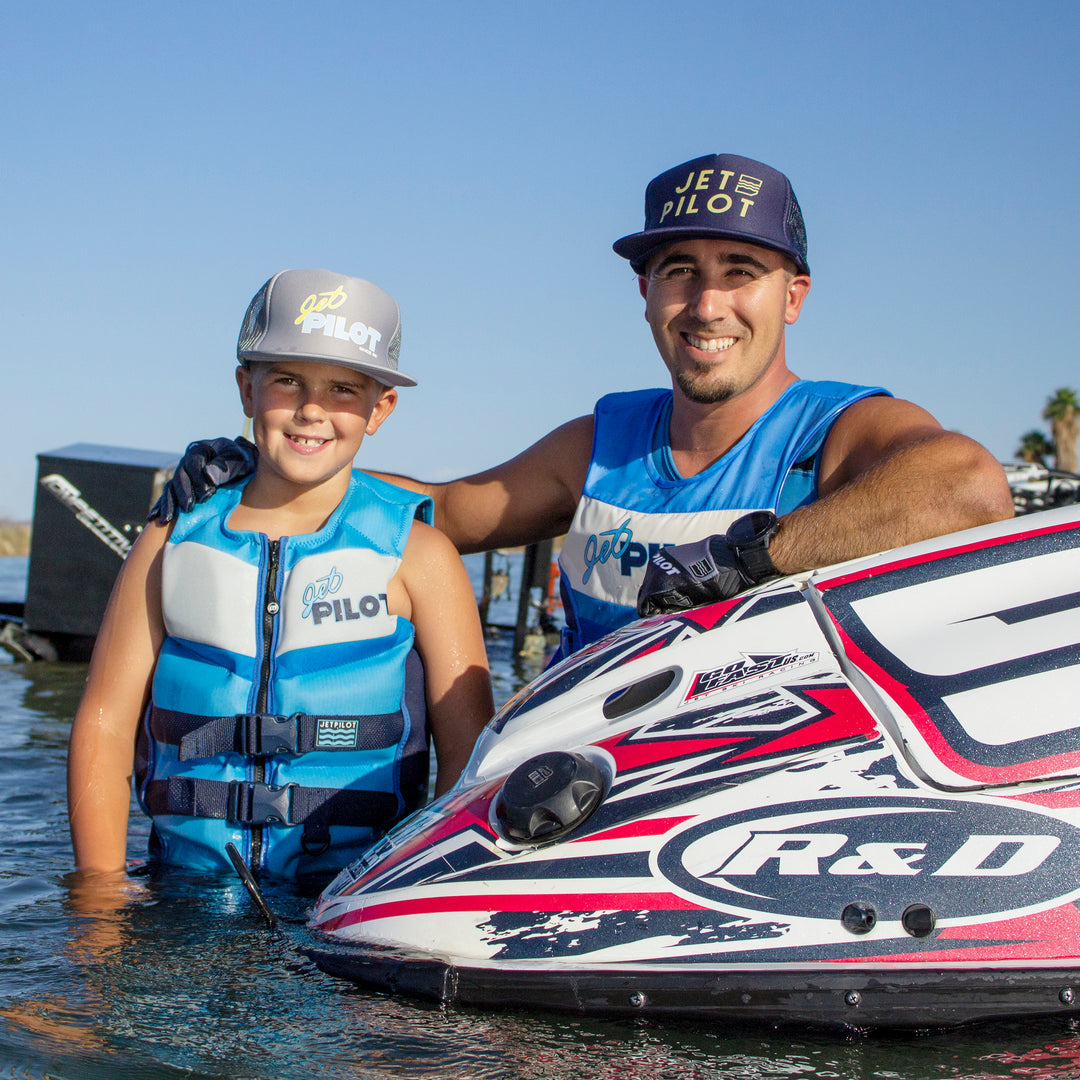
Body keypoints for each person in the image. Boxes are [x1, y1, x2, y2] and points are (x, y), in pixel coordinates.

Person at [155, 154, 1014, 658]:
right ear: (645, 292)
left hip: (754, 802)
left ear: (794, 297)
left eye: (740, 273)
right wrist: (265, 471)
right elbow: (446, 510)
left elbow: (970, 488)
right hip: (590, 803)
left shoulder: (839, 428)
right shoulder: (598, 442)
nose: (707, 304)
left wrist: (750, 562)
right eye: (680, 271)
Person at [68, 269, 493, 880]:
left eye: (344, 388)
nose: (312, 409)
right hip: (181, 900)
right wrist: (99, 901)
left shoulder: (423, 557)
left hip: (349, 907)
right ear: (247, 389)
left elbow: (468, 751)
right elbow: (103, 725)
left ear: (380, 409)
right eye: (287, 381)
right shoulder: (170, 536)